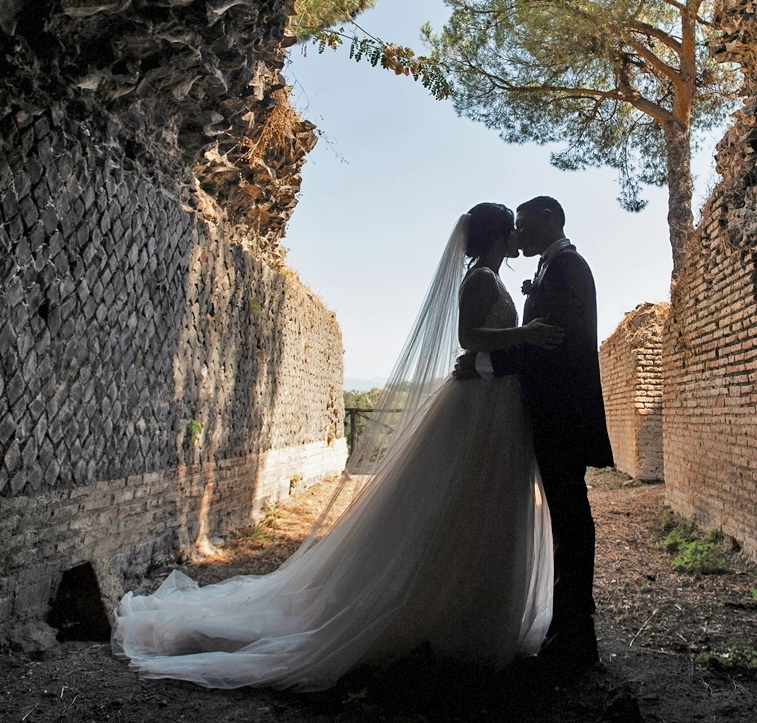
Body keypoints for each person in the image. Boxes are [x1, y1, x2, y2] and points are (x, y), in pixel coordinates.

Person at [112, 204, 561, 691]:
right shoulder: (478, 281)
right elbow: (468, 337)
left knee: (481, 503)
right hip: (479, 404)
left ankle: (472, 607)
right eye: (511, 226)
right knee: (461, 500)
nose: (518, 233)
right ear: (497, 236)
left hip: (493, 400)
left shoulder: (491, 278)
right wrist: (526, 333)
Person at [456, 196, 613, 671]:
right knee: (566, 517)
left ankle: (575, 634)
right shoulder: (550, 267)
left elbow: (556, 344)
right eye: (513, 227)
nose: (518, 234)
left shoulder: (567, 266)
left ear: (548, 218)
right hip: (547, 411)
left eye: (524, 224)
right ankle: (570, 628)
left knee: (570, 517)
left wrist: (486, 362)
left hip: (562, 413)